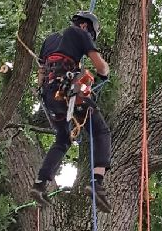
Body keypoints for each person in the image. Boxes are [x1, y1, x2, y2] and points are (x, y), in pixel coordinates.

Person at [30, 11, 112, 212]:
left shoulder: (50, 40)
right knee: (100, 131)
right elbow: (100, 67)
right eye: (91, 34)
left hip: (50, 97)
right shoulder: (79, 33)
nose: (89, 37)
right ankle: (96, 183)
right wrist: (105, 72)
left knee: (63, 139)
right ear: (85, 26)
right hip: (68, 90)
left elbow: (41, 74)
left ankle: (40, 184)